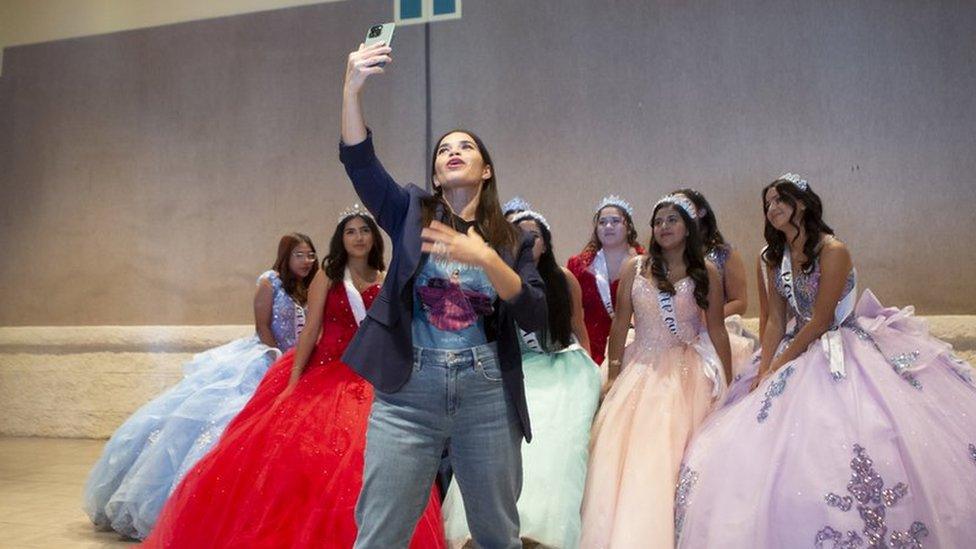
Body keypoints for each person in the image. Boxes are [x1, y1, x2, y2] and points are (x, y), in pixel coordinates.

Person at [674, 174, 976, 548]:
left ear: (803, 202)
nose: (773, 208)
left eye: (780, 199)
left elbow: (819, 321)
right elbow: (775, 324)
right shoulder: (770, 258)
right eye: (767, 204)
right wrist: (765, 368)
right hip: (791, 343)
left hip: (841, 345)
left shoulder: (833, 251)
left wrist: (782, 362)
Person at [339, 41, 547, 548]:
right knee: (380, 536)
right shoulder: (410, 211)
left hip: (487, 394)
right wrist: (351, 88)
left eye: (466, 147)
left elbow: (536, 314)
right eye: (443, 150)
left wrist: (489, 260)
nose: (453, 151)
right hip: (408, 393)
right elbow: (362, 165)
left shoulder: (512, 238)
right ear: (435, 174)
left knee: (497, 534)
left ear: (487, 169)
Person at [83, 233, 317, 539]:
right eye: (299, 255)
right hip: (266, 357)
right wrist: (278, 359)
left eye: (310, 255)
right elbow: (261, 326)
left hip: (298, 362)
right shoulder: (269, 282)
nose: (306, 261)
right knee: (225, 419)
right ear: (285, 257)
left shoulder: (312, 286)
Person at [579, 194, 732, 548]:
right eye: (658, 221)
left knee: (679, 454)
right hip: (641, 367)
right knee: (629, 456)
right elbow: (620, 326)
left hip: (686, 371)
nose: (664, 227)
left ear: (689, 227)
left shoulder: (706, 271)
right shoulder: (636, 266)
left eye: (672, 220)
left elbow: (717, 329)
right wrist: (614, 373)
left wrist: (727, 382)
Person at [443, 209, 600, 548]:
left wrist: (594, 373)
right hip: (516, 368)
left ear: (546, 241)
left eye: (535, 235)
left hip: (560, 366)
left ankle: (546, 527)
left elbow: (578, 328)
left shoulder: (562, 278)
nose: (529, 241)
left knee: (556, 442)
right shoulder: (493, 278)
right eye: (520, 235)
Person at [566, 195, 644, 366]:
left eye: (615, 221)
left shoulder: (646, 263)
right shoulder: (579, 266)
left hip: (633, 350)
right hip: (590, 352)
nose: (608, 226)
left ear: (628, 227)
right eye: (602, 222)